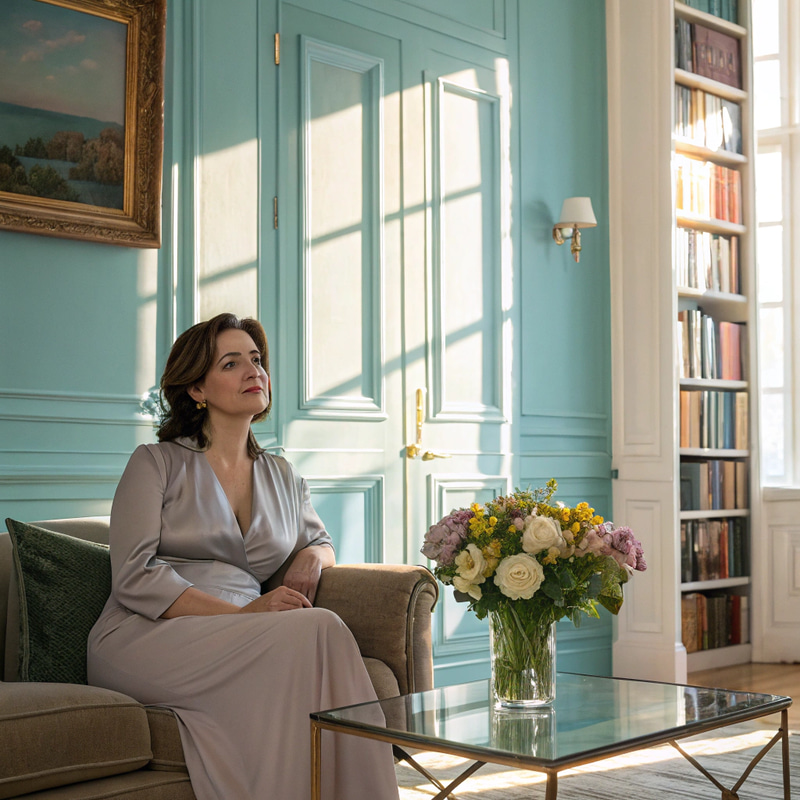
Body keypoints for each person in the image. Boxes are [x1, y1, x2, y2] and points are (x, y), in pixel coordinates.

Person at [87, 313, 399, 800]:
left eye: (256, 360)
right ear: (197, 388)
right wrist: (244, 615)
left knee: (316, 635)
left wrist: (313, 558)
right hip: (149, 633)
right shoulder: (156, 462)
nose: (254, 371)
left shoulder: (282, 474)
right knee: (319, 627)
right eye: (231, 363)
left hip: (245, 630)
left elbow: (319, 541)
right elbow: (134, 576)